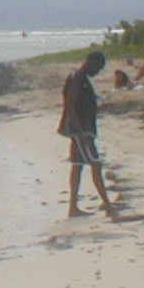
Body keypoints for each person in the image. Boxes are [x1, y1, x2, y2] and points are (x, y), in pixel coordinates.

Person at [58, 50, 115, 218]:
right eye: (97, 68)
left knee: (78, 166)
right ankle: (107, 204)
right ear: (91, 62)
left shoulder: (80, 78)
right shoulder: (77, 78)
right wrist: (80, 130)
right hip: (81, 131)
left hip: (81, 130)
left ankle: (73, 207)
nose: (97, 72)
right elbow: (69, 104)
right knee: (95, 164)